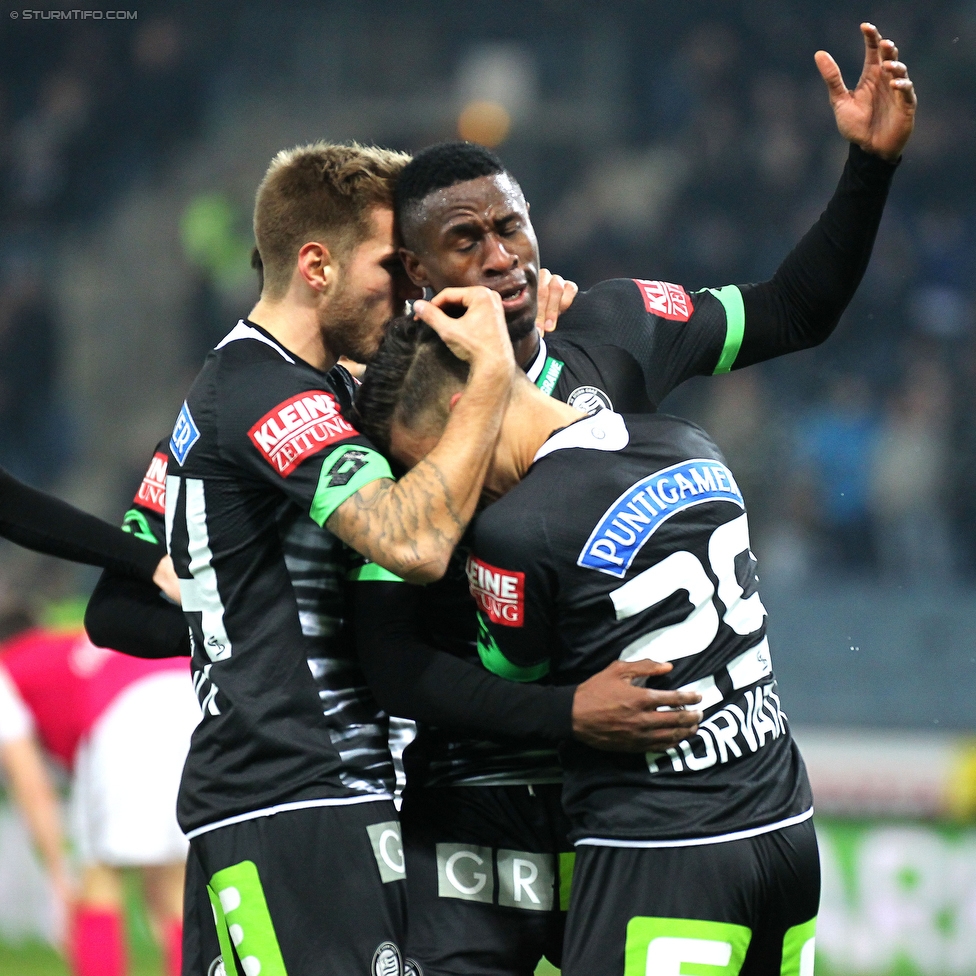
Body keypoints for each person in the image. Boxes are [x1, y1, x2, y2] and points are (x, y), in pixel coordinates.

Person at [349, 22, 916, 976]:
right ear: (415, 275)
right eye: (465, 240)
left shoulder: (611, 330)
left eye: (511, 226)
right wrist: (566, 715)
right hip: (477, 809)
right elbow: (394, 664)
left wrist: (867, 169)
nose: (502, 257)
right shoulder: (395, 415)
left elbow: (792, 310)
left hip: (636, 809)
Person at [357, 311, 816, 976]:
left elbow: (516, 672)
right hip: (784, 825)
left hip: (662, 852)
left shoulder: (515, 530)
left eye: (426, 462)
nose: (439, 490)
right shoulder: (692, 444)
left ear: (466, 411)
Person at [0, 610, 198, 976]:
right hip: (190, 699)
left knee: (101, 877)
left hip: (123, 717)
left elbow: (32, 784)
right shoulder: (65, 646)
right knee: (177, 881)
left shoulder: (6, 669)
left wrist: (59, 879)